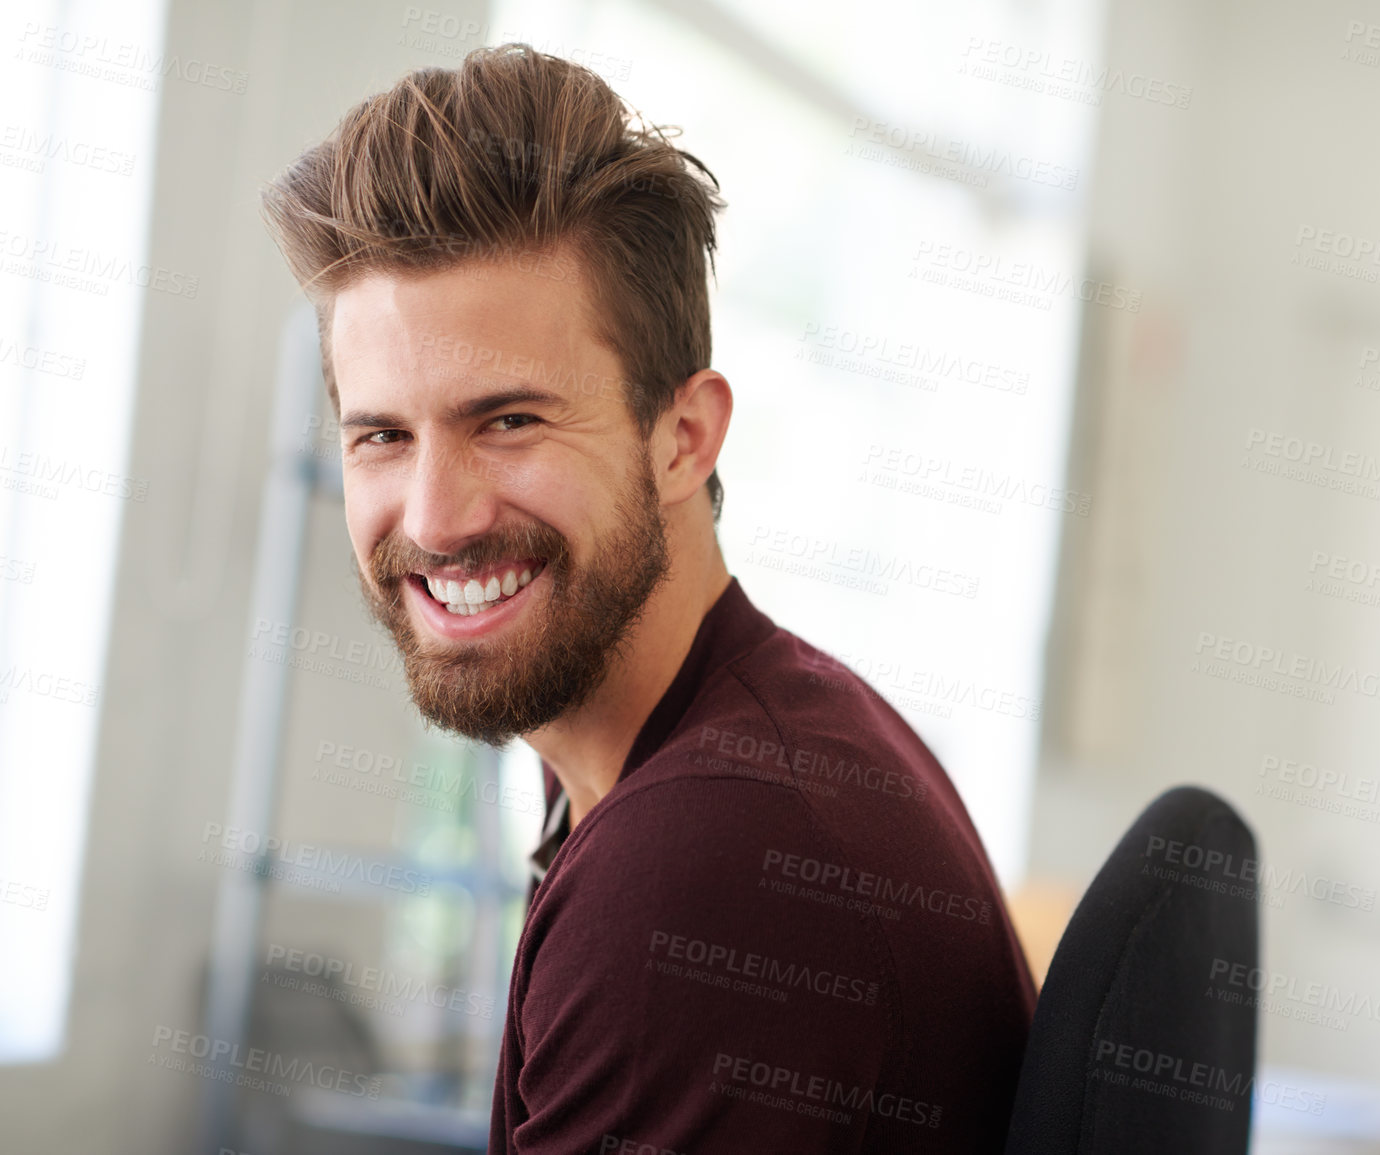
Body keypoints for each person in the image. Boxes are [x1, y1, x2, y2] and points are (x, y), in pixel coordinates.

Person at [261, 43, 1035, 1153]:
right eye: (381, 435)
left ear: (683, 439)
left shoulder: (701, 866)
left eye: (509, 421)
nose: (434, 517)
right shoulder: (756, 736)